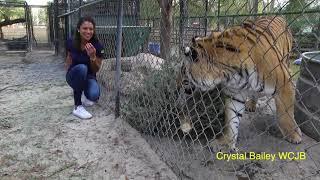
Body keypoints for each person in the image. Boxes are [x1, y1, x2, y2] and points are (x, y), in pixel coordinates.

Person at [65, 16, 104, 119]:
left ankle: (85, 94)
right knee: (82, 68)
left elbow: (96, 69)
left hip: (89, 77)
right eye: (85, 28)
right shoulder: (71, 41)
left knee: (94, 95)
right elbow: (69, 57)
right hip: (74, 74)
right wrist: (70, 74)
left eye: (91, 29)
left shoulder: (97, 45)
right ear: (78, 29)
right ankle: (77, 107)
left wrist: (93, 57)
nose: (88, 31)